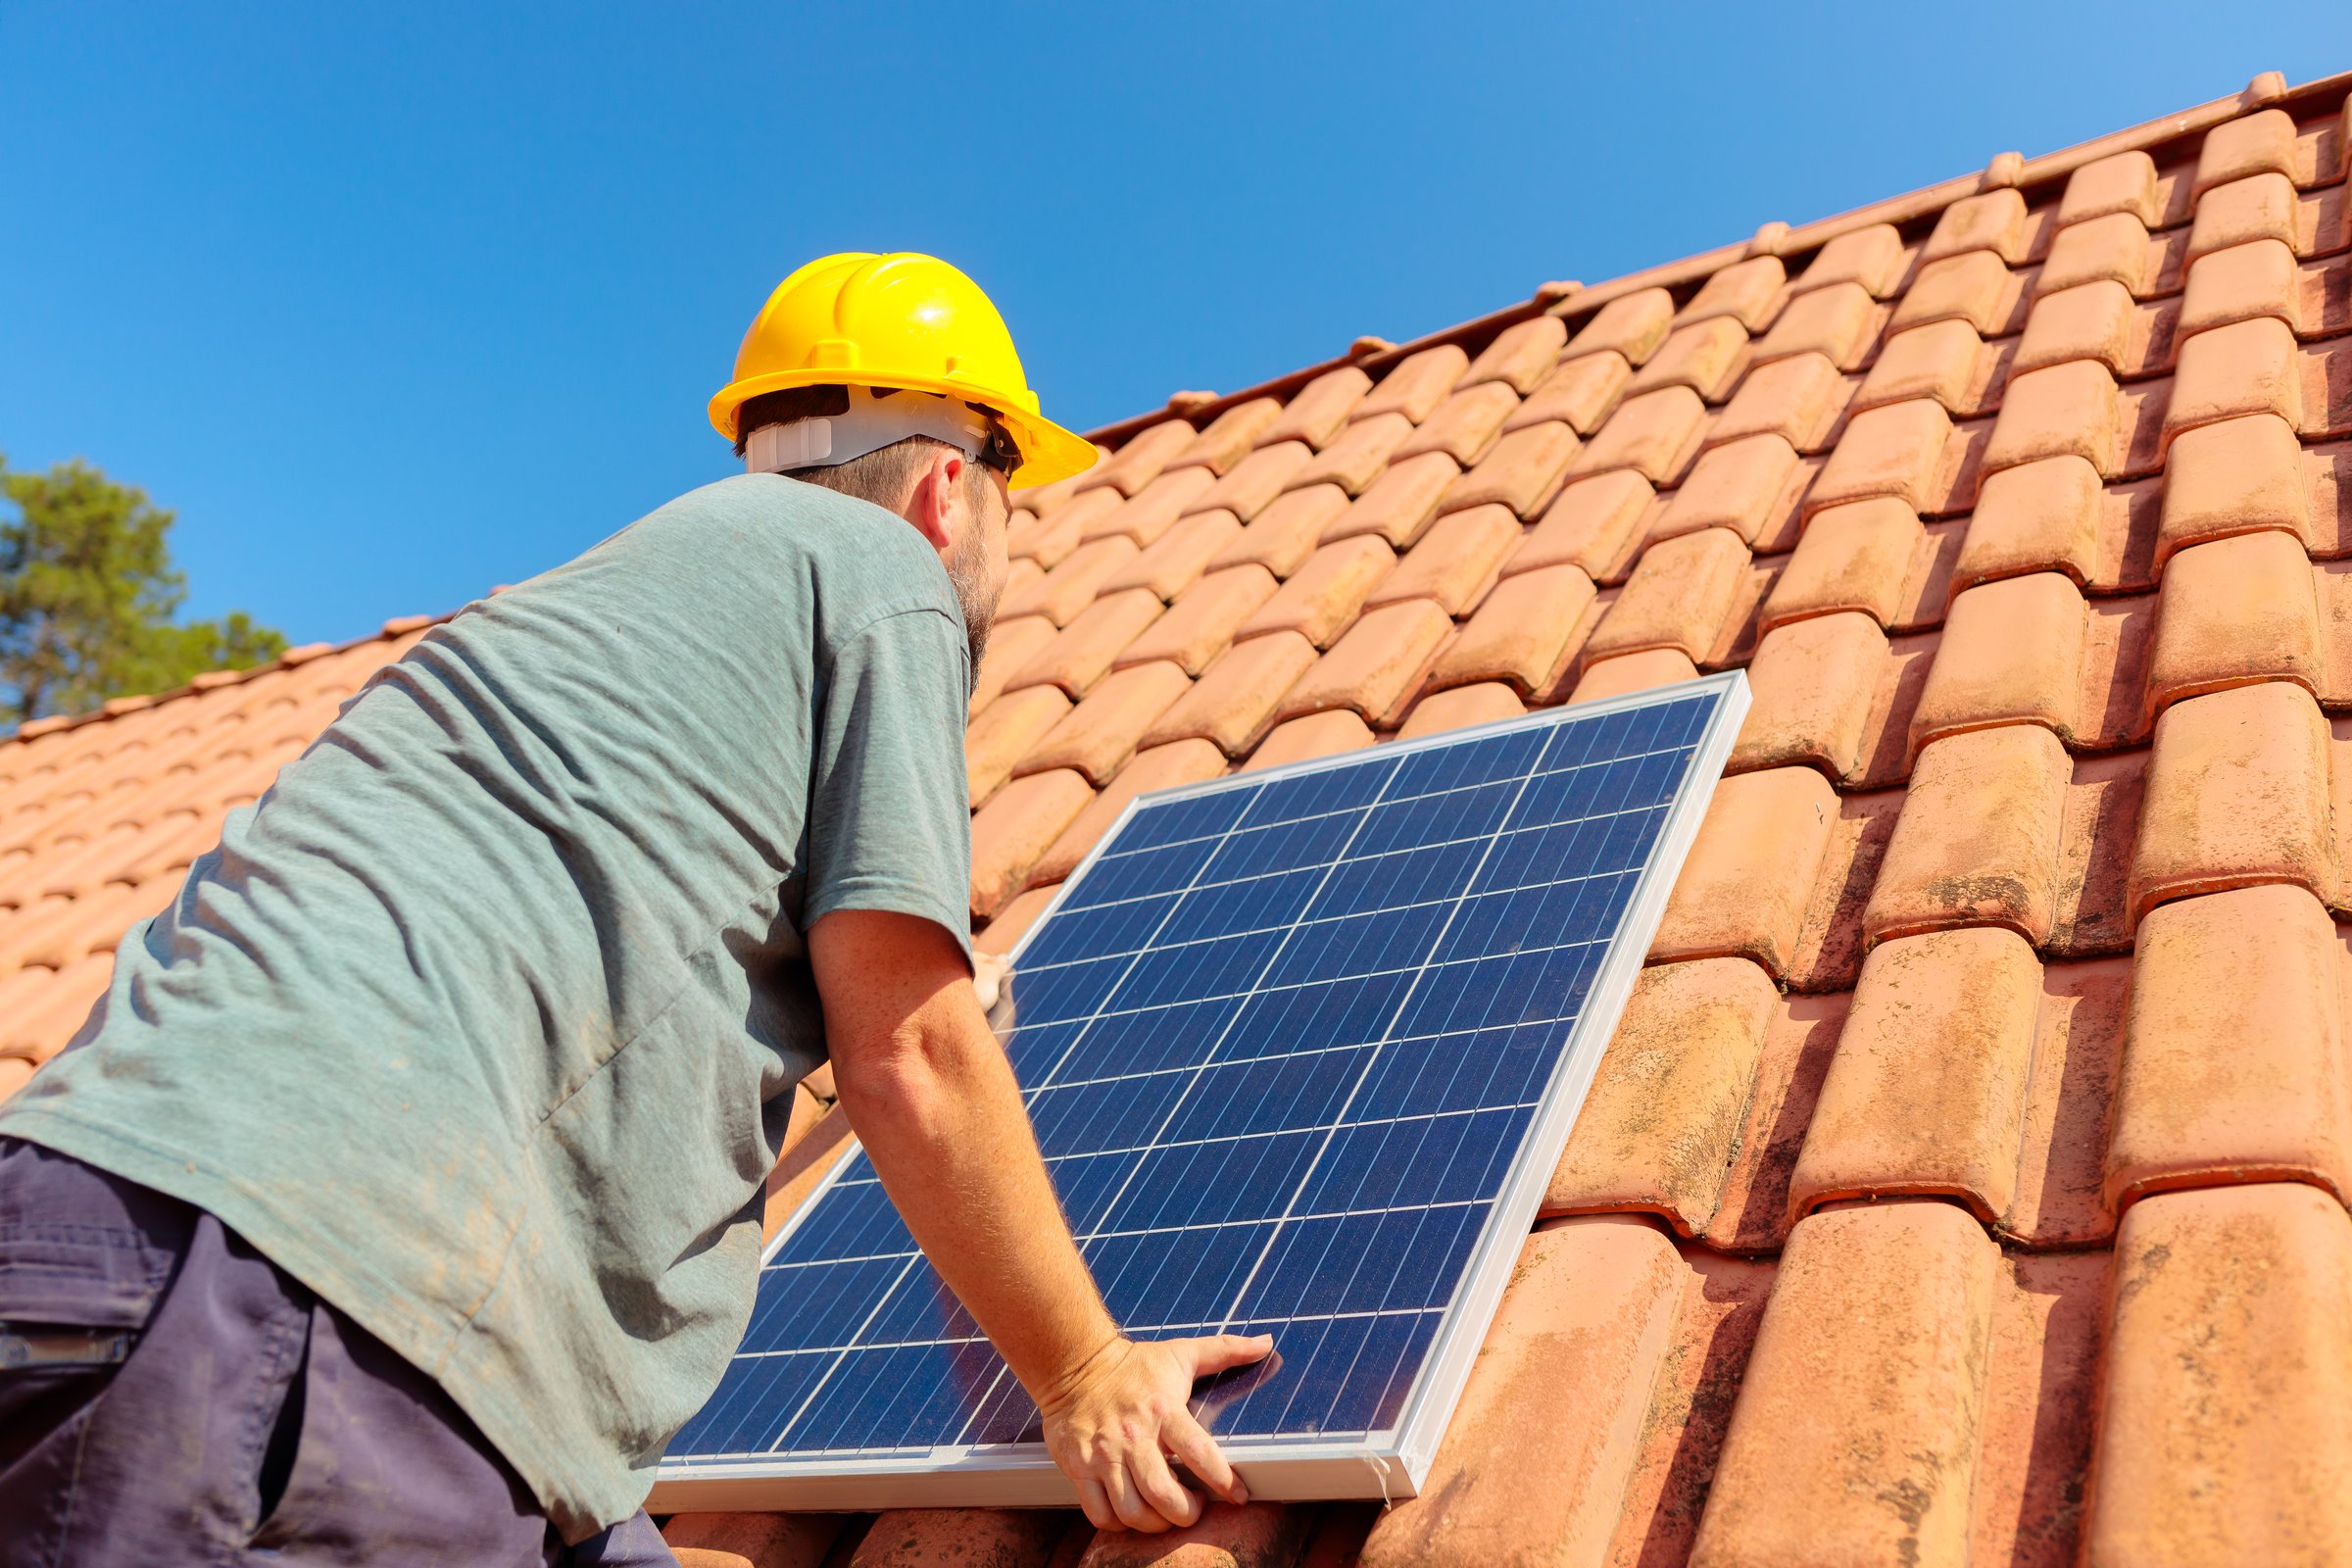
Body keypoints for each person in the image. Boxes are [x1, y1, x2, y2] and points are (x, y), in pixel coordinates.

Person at [0, 252, 1271, 1565]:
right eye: (1014, 494)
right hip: (299, 1312)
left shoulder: (584, 620)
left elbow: (590, 1033)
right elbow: (914, 1053)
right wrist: (1082, 1373)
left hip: (89, 1237)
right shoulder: (881, 573)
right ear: (952, 486)